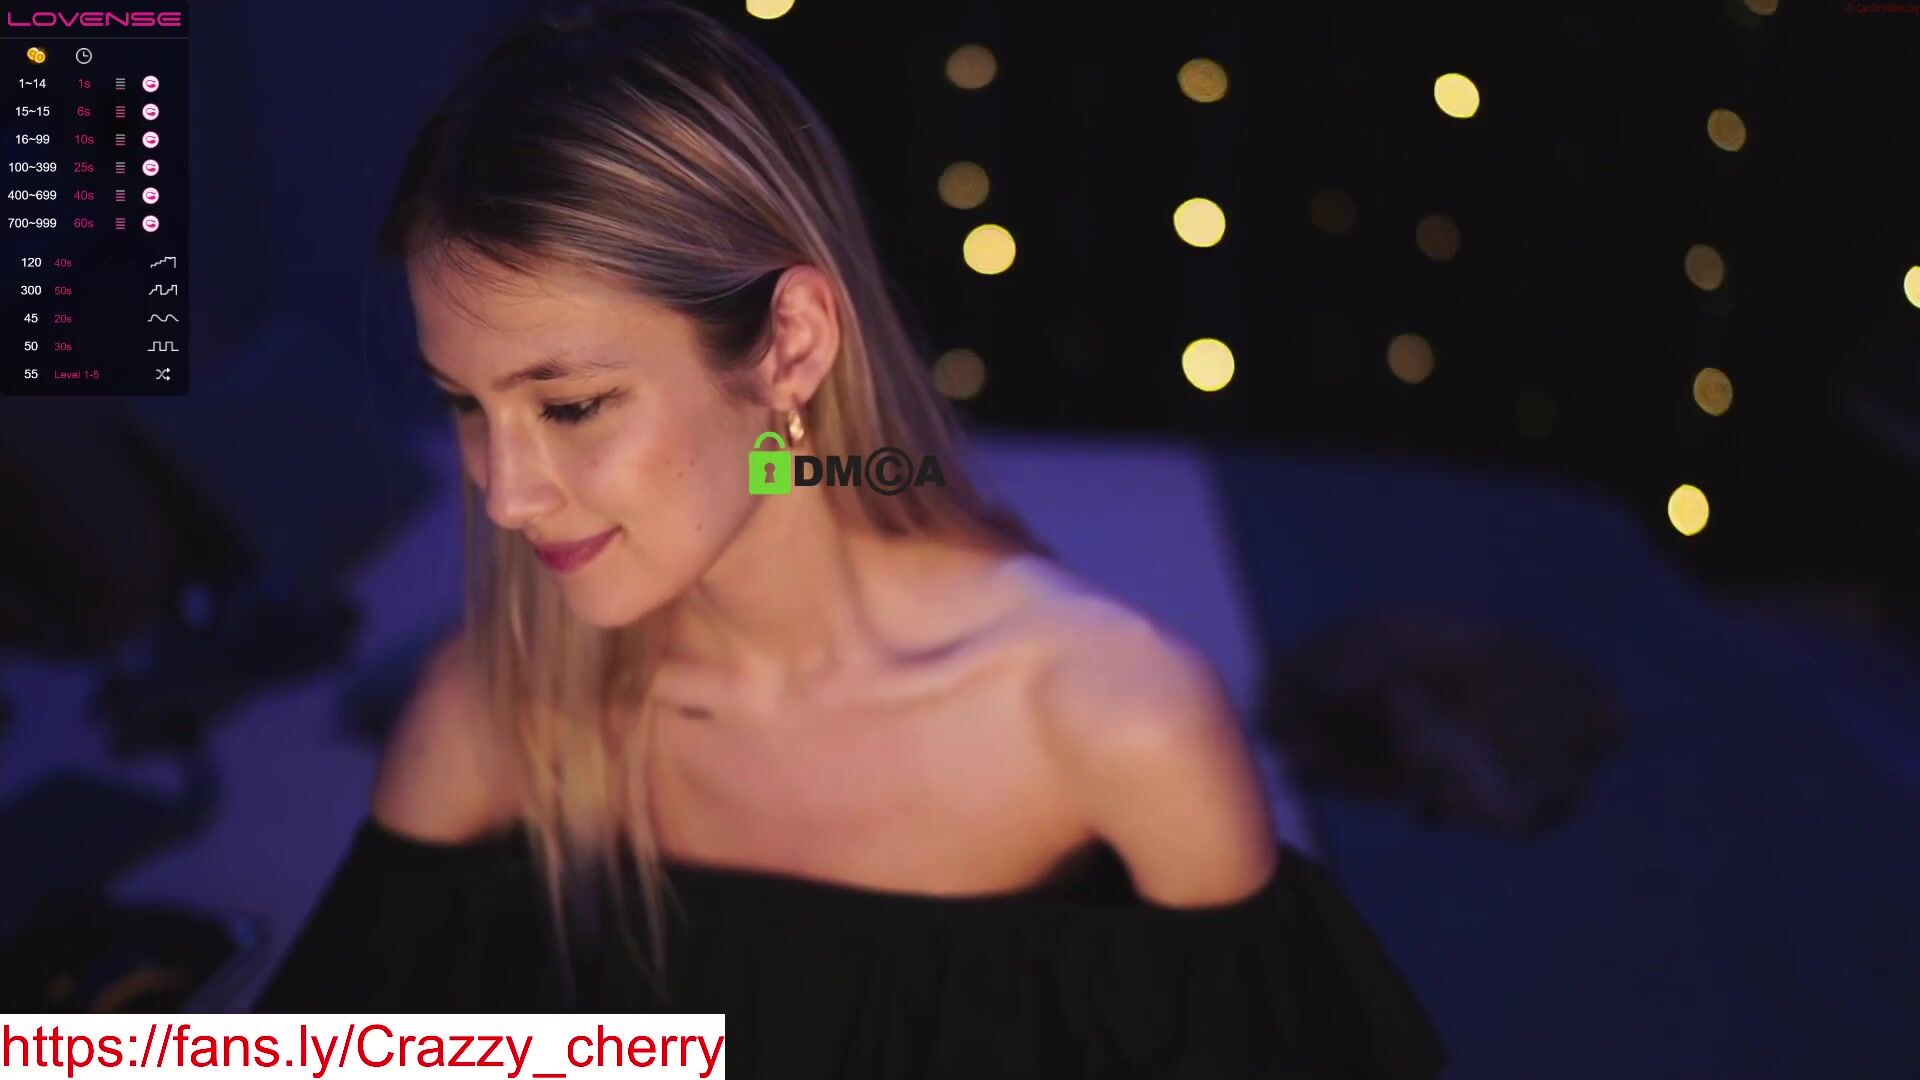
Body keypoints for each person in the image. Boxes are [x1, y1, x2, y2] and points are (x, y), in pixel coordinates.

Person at [254, 2, 1447, 1076]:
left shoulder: (1115, 723)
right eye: (465, 405)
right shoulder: (493, 716)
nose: (506, 495)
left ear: (791, 345)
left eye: (569, 406)